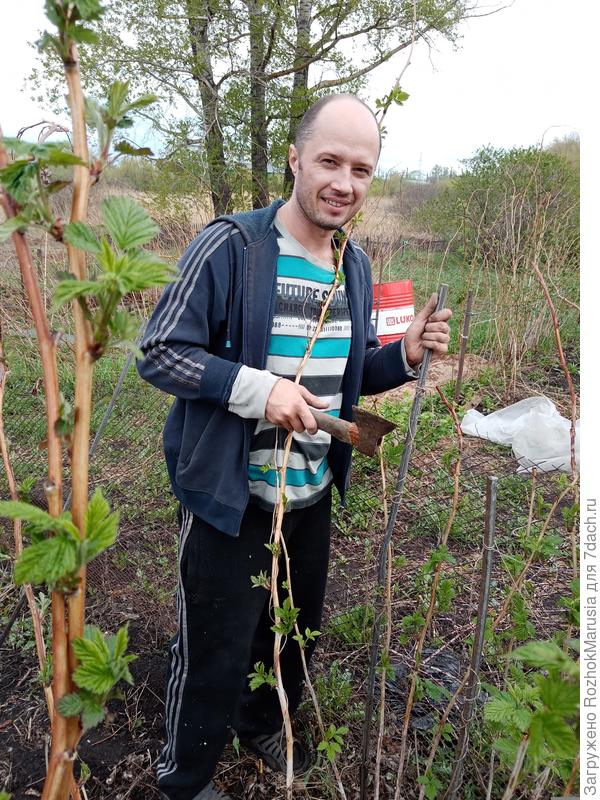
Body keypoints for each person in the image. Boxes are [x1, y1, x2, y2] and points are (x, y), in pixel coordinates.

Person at [137, 93, 452, 800]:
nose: (344, 182)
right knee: (214, 644)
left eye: (362, 169)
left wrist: (399, 353)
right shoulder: (233, 247)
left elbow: (347, 380)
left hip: (309, 495)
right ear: (294, 157)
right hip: (230, 496)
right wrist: (259, 389)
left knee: (290, 630)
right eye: (330, 161)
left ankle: (260, 723)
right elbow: (159, 352)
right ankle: (182, 778)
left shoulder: (354, 266)